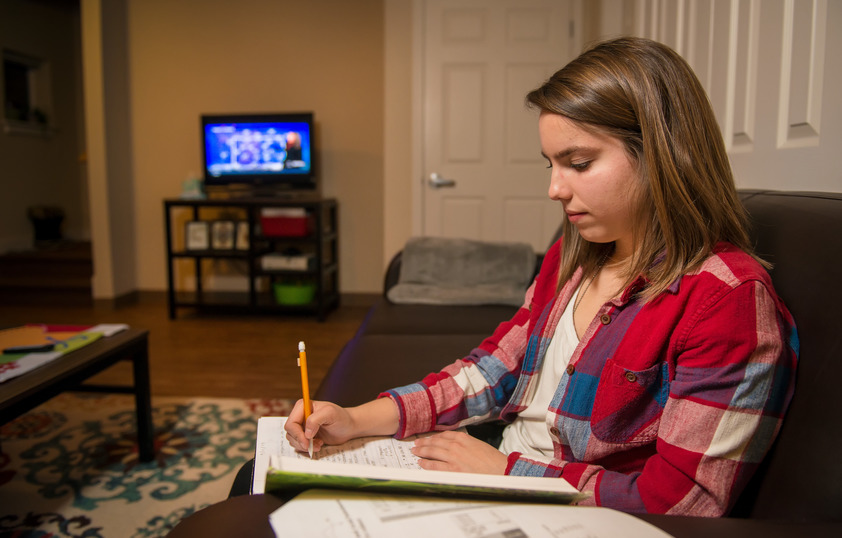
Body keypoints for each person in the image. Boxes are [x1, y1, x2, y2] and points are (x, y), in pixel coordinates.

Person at [284, 37, 798, 517]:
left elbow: (685, 501)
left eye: (578, 162)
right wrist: (355, 419)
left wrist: (509, 472)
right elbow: (493, 370)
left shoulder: (726, 301)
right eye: (551, 164)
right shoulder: (572, 258)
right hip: (497, 469)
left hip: (553, 507)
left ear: (662, 155)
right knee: (267, 480)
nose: (554, 188)